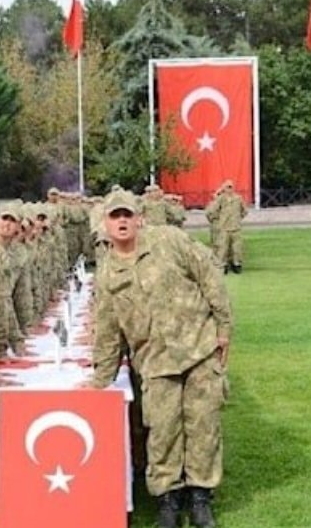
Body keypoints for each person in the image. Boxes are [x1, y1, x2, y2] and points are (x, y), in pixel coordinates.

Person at [88, 189, 233, 528]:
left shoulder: (169, 240)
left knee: (203, 427)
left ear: (138, 218)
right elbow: (108, 330)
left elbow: (208, 276)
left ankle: (201, 497)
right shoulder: (107, 274)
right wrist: (100, 380)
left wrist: (224, 326)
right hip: (154, 361)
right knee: (163, 432)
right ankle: (168, 499)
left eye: (127, 214)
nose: (122, 221)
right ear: (105, 224)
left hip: (198, 348)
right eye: (115, 216)